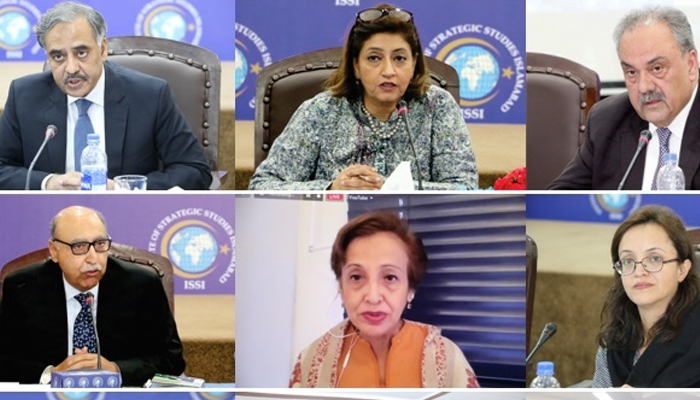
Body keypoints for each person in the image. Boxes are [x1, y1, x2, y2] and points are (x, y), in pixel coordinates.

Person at [249, 4, 478, 190]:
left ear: (414, 64)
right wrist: (331, 188)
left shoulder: (437, 106)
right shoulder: (321, 111)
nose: (388, 70)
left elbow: (465, 188)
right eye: (374, 58)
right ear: (356, 65)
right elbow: (262, 185)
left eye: (399, 58)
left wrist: (390, 187)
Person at [0, 1, 212, 190]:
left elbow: (194, 171)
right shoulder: (24, 96)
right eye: (58, 56)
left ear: (102, 49)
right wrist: (49, 183)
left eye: (81, 53)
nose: (71, 68)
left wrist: (121, 188)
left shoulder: (150, 95)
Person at [289, 211, 479, 388]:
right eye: (356, 277)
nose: (373, 297)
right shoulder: (311, 362)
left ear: (410, 288)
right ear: (341, 285)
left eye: (389, 277)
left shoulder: (448, 360)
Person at [0, 206, 185, 386]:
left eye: (100, 244)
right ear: (54, 251)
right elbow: (4, 359)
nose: (93, 258)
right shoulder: (23, 286)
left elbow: (171, 359)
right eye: (79, 246)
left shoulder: (141, 284)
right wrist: (51, 374)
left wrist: (116, 370)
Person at [548, 6, 700, 190]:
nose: (644, 87)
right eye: (631, 72)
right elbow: (559, 197)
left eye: (657, 68)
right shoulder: (606, 120)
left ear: (691, 65)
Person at [592, 205, 700, 387]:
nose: (639, 271)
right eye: (628, 261)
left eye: (655, 258)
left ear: (682, 269)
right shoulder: (613, 343)